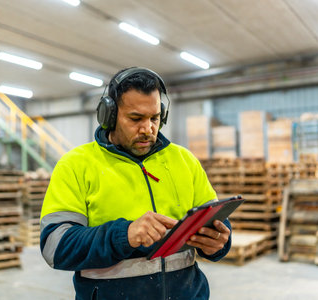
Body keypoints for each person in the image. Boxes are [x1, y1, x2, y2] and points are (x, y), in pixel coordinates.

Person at [40, 67, 232, 300]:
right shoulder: (76, 165)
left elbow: (214, 219)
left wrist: (219, 242)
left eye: (154, 118)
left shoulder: (184, 160)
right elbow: (55, 246)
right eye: (135, 118)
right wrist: (124, 234)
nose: (148, 129)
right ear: (109, 115)